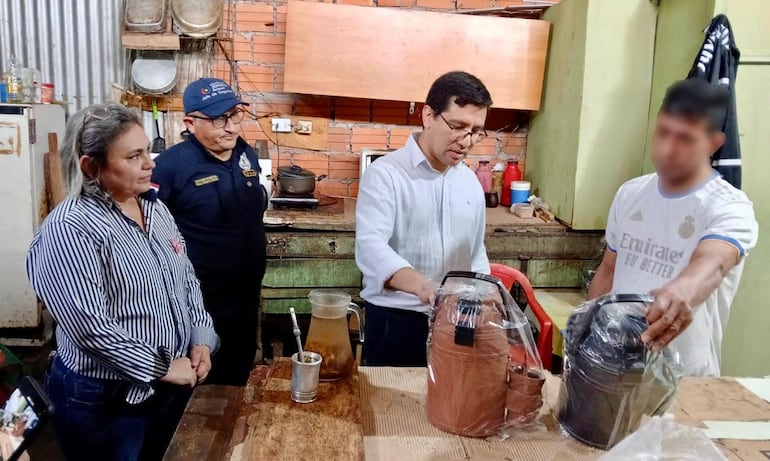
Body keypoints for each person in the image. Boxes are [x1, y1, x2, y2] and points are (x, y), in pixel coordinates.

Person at [26, 103, 219, 460]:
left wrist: (201, 339)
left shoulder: (153, 207)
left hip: (165, 386)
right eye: (134, 156)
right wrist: (162, 367)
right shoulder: (71, 230)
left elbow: (185, 278)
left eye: (147, 150)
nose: (151, 163)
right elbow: (90, 328)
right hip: (103, 399)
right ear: (91, 166)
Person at [589, 78, 759, 376]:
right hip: (617, 368)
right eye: (663, 132)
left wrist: (684, 289)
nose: (668, 148)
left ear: (714, 143)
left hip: (685, 379)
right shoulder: (631, 193)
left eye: (685, 138)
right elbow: (609, 270)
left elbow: (715, 261)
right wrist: (587, 335)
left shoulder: (729, 206)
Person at [355, 71, 492, 366]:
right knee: (391, 409)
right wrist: (423, 287)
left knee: (451, 405)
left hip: (458, 322)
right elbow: (371, 248)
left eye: (476, 131)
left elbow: (475, 252)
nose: (466, 141)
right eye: (457, 126)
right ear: (428, 115)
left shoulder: (469, 183)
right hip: (399, 321)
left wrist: (484, 299)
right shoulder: (386, 175)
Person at [151, 78, 267, 386]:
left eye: (235, 115)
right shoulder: (170, 167)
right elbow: (147, 232)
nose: (231, 127)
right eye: (218, 119)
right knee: (205, 378)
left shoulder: (245, 155)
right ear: (190, 122)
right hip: (202, 299)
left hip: (245, 293)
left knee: (240, 368)